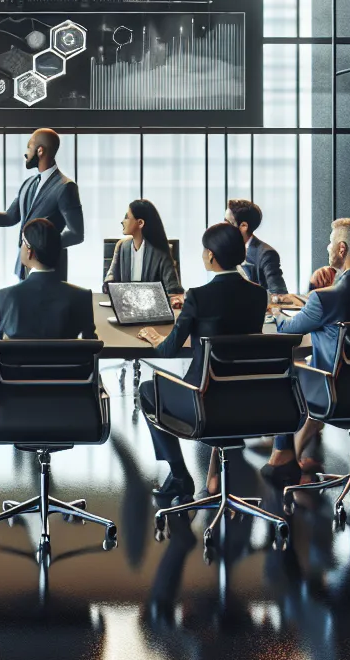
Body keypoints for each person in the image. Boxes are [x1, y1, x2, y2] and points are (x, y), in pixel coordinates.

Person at [134, 222, 268, 498]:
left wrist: (153, 337)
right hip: (249, 401)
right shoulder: (258, 294)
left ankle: (180, 475)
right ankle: (218, 467)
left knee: (147, 392)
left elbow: (169, 349)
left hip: (201, 402)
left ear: (211, 256)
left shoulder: (198, 296)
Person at [264, 218, 350, 481]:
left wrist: (277, 311)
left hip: (336, 395)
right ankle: (301, 452)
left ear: (341, 249)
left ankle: (281, 454)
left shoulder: (325, 298)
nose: (326, 247)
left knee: (285, 372)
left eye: (330, 242)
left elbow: (288, 330)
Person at [0, 128, 85, 281]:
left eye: (29, 147)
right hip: (24, 267)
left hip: (51, 271)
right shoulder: (28, 184)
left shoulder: (65, 187)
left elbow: (77, 234)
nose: (26, 153)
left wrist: (42, 247)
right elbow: (10, 217)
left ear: (40, 151)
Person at [0, 218, 97, 360]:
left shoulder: (2, 297)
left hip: (17, 380)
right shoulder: (82, 297)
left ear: (30, 251)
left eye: (22, 242)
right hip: (66, 380)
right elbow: (91, 351)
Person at [104, 198, 183, 302]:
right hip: (125, 307)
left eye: (127, 217)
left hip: (153, 309)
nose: (122, 222)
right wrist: (108, 286)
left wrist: (175, 300)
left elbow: (173, 290)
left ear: (140, 223)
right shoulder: (122, 246)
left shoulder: (160, 251)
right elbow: (111, 280)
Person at [225, 199, 288, 296]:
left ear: (244, 226)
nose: (223, 226)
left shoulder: (266, 254)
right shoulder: (226, 248)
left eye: (228, 223)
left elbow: (279, 293)